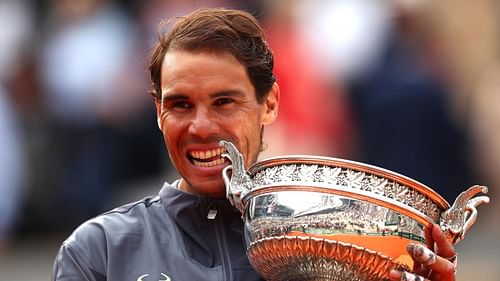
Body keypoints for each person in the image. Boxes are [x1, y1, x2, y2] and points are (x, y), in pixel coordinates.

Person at [52, 7, 458, 281]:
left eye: (224, 102)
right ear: (158, 112)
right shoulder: (99, 251)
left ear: (270, 104)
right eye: (180, 104)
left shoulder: (336, 250)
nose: (201, 126)